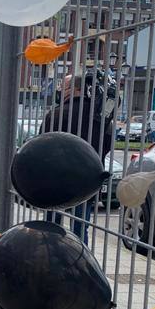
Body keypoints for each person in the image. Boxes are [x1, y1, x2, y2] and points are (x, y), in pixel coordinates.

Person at [39, 69, 115, 243]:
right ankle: (80, 261)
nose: (60, 91)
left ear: (73, 89)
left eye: (63, 87)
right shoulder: (100, 117)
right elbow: (108, 145)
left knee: (51, 225)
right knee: (80, 228)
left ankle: (51, 254)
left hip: (55, 182)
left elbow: (41, 146)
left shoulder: (56, 115)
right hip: (87, 182)